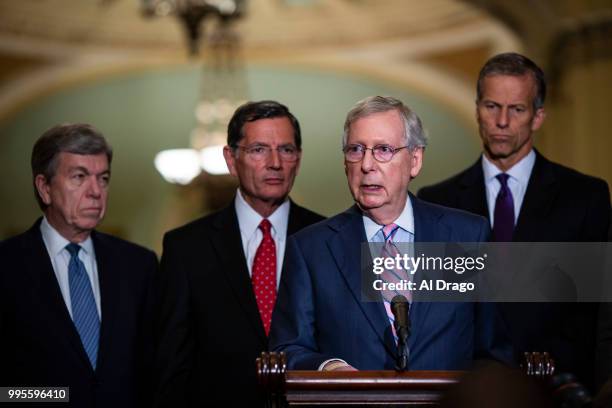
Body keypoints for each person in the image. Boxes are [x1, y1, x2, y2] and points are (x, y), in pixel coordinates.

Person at [269, 96, 512, 371]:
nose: (367, 165)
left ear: (415, 160)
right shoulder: (311, 249)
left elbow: (494, 352)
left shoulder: (469, 236)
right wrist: (329, 368)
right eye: (356, 150)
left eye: (383, 149)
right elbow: (286, 350)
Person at [418, 52, 611, 389]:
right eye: (492, 106)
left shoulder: (585, 197)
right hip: (467, 390)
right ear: (477, 109)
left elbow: (594, 312)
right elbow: (438, 312)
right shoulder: (436, 200)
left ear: (538, 117)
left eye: (517, 109)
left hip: (561, 390)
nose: (502, 121)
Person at [153, 101, 324, 406]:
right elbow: (171, 365)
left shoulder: (328, 239)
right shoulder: (186, 248)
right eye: (258, 149)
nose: (275, 163)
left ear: (298, 159)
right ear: (231, 160)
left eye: (285, 150)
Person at [0, 123, 157, 407]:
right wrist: (58, 397)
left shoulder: (139, 266)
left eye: (104, 178)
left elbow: (154, 371)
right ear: (44, 188)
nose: (96, 191)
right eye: (79, 177)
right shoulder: (6, 266)